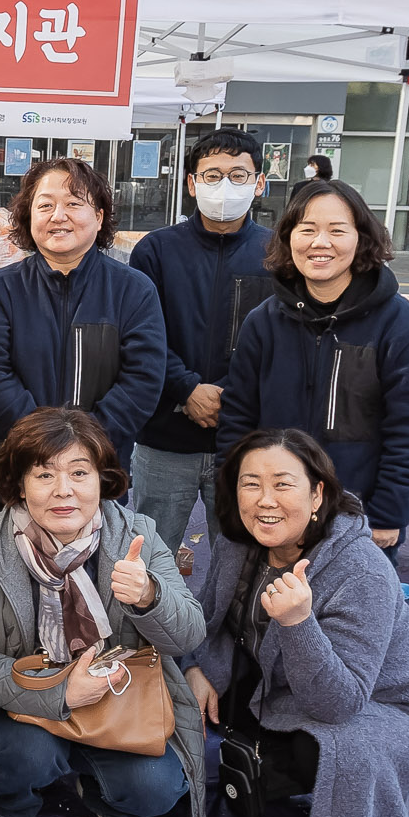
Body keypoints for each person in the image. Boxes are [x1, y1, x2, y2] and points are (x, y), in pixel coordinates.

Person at [185, 429, 409, 817]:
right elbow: (210, 621)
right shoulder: (238, 543)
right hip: (286, 684)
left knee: (339, 753)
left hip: (390, 705)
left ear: (318, 495)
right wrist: (196, 667)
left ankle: (402, 774)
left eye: (283, 484)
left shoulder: (360, 569)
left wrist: (297, 622)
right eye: (250, 484)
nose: (264, 500)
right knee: (192, 711)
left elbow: (340, 703)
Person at [0, 408, 207, 817]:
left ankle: (104, 795)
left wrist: (149, 595)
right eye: (44, 474)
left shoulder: (138, 535)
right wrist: (63, 691)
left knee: (154, 790)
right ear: (20, 485)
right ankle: (10, 808)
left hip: (120, 697)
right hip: (28, 703)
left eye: (79, 472)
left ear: (102, 479)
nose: (63, 490)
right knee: (20, 756)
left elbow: (186, 637)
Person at [218, 178, 409, 555]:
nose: (320, 243)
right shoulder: (264, 322)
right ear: (289, 239)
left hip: (358, 515)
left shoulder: (400, 325)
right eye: (307, 230)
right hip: (274, 514)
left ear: (361, 238)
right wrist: (238, 498)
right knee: (266, 611)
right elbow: (238, 419)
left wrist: (390, 512)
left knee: (354, 614)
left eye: (337, 230)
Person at [0, 156, 166, 532]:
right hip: (9, 478)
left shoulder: (133, 290)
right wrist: (41, 447)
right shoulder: (0, 289)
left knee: (87, 587)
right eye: (45, 205)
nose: (59, 215)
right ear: (28, 217)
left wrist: (81, 452)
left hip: (95, 479)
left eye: (74, 203)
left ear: (100, 216)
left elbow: (142, 380)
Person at [122, 129, 275, 554]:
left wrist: (234, 397)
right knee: (150, 553)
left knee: (243, 557)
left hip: (247, 438)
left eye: (238, 175)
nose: (224, 186)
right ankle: (149, 623)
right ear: (191, 183)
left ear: (259, 183)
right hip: (166, 433)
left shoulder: (278, 254)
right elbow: (140, 336)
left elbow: (280, 342)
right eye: (212, 175)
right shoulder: (155, 251)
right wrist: (187, 387)